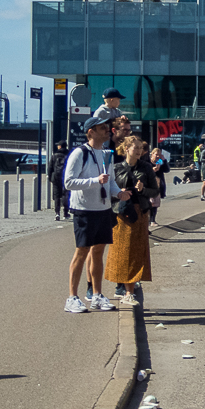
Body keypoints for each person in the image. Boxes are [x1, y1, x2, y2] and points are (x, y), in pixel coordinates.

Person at [63, 115, 130, 313]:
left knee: (98, 252)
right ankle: (72, 297)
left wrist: (119, 192)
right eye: (102, 128)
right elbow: (68, 183)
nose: (107, 131)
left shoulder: (106, 154)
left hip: (103, 210)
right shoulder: (79, 153)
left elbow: (110, 182)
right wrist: (95, 180)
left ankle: (97, 295)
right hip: (84, 210)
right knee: (82, 252)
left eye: (107, 128)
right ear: (91, 132)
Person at [107, 136, 158, 307]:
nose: (138, 151)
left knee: (136, 252)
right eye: (135, 147)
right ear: (126, 148)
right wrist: (117, 192)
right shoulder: (115, 168)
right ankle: (123, 289)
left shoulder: (146, 167)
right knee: (121, 253)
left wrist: (143, 190)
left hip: (140, 213)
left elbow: (154, 191)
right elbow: (107, 192)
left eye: (140, 148)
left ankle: (130, 292)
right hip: (121, 214)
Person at [49, 141, 70, 221]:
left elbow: (50, 168)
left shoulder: (54, 156)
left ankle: (57, 213)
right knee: (65, 195)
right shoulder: (69, 155)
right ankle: (65, 213)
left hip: (56, 178)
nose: (57, 146)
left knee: (57, 196)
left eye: (58, 145)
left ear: (60, 146)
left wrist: (50, 178)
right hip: (66, 178)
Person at [148, 147, 168, 226]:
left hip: (158, 186)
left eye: (159, 155)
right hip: (149, 186)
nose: (158, 156)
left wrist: (164, 161)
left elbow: (167, 170)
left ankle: (153, 220)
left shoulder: (160, 163)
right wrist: (152, 170)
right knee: (149, 203)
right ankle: (148, 220)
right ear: (152, 154)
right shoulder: (148, 163)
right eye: (156, 154)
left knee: (155, 204)